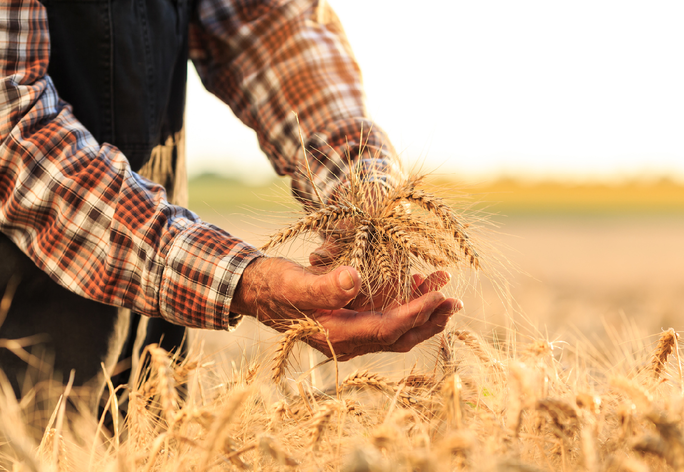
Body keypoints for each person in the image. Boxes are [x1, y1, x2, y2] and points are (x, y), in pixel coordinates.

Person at [0, 0, 462, 400]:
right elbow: (11, 133)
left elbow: (268, 27)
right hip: (19, 333)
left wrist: (361, 193)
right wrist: (244, 281)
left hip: (152, 350)